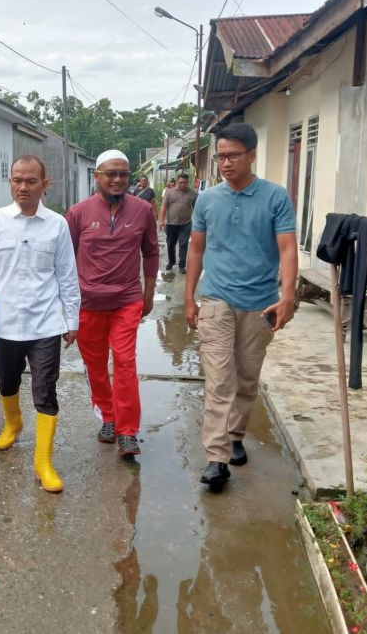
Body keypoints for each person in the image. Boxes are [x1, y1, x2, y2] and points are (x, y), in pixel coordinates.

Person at [184, 122, 298, 488]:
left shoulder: (275, 197)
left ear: (252, 155)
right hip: (216, 300)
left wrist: (288, 295)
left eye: (233, 155)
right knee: (219, 379)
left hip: (259, 304)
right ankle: (216, 458)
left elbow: (287, 248)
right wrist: (189, 297)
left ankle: (235, 435)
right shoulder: (207, 199)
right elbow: (196, 248)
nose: (225, 163)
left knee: (247, 379)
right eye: (220, 157)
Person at [0, 155, 80, 493]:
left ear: (44, 184)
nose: (23, 186)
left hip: (46, 323)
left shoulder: (57, 224)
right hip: (5, 323)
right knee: (6, 382)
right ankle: (13, 423)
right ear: (10, 183)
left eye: (30, 181)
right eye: (17, 180)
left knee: (45, 390)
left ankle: (43, 461)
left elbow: (67, 274)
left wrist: (71, 318)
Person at [66, 150, 159, 458]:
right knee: (94, 365)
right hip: (88, 302)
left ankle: (128, 431)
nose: (118, 179)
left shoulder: (143, 210)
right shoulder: (79, 213)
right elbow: (64, 260)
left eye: (123, 174)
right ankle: (108, 416)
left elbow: (151, 252)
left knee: (124, 362)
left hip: (126, 300)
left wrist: (148, 292)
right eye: (111, 174)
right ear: (97, 176)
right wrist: (66, 307)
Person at [158, 173, 198, 273]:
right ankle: (171, 262)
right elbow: (163, 206)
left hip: (186, 224)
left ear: (188, 182)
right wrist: (161, 220)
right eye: (180, 182)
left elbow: (197, 210)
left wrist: (197, 224)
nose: (183, 184)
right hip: (171, 224)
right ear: (177, 182)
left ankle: (182, 265)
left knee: (183, 244)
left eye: (185, 183)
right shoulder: (169, 192)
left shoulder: (193, 194)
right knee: (170, 244)